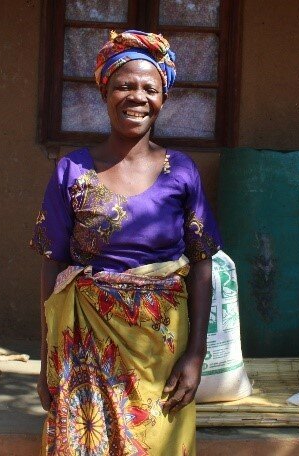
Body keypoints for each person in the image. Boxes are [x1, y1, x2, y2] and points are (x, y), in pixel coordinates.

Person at [30, 30, 221, 455]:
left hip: (160, 348)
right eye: (124, 85)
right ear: (105, 92)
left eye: (149, 88)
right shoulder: (72, 170)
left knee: (157, 443)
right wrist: (46, 363)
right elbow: (51, 266)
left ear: (164, 98)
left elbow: (202, 264)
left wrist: (195, 356)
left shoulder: (182, 172)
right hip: (84, 341)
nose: (137, 97)